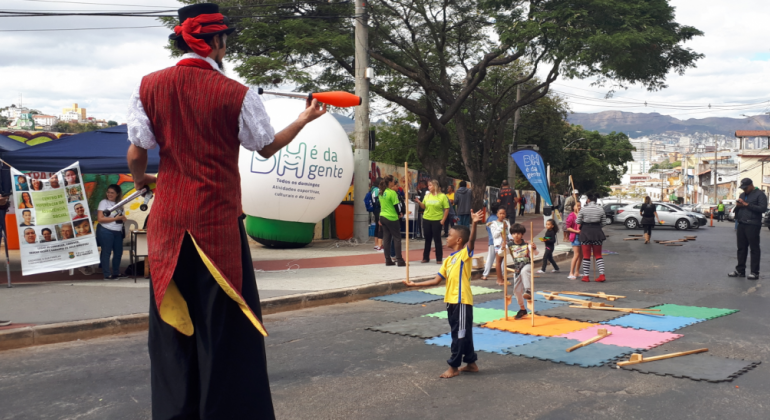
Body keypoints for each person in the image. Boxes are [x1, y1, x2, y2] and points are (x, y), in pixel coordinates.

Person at [126, 5, 327, 417]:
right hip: (216, 224)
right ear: (213, 42)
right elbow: (266, 146)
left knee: (171, 328)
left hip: (168, 225)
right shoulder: (235, 93)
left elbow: (135, 154)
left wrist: (144, 180)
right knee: (224, 331)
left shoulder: (148, 86)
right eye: (224, 40)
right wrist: (305, 118)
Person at [403, 209, 484, 378]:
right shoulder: (448, 260)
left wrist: (474, 223)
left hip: (462, 301)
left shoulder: (464, 255)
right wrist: (414, 284)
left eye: (449, 235)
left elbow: (472, 241)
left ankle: (454, 366)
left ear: (459, 240)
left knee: (459, 335)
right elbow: (435, 281)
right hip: (451, 301)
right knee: (463, 332)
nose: (446, 237)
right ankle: (471, 363)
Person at [729, 178, 767, 280]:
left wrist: (747, 204)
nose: (744, 190)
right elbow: (740, 208)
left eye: (746, 188)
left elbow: (763, 208)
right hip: (741, 223)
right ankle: (740, 271)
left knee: (754, 249)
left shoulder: (760, 194)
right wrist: (738, 206)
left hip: (753, 224)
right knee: (741, 248)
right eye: (743, 188)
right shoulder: (742, 195)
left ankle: (754, 272)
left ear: (751, 185)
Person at [506, 223, 539, 319]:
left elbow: (536, 253)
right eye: (514, 233)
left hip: (527, 265)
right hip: (517, 268)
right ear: (511, 234)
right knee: (516, 291)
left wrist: (534, 247)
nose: (516, 235)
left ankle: (528, 291)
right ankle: (522, 309)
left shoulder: (526, 244)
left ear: (522, 234)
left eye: (518, 233)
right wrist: (502, 247)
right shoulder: (510, 245)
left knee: (525, 272)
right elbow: (501, 253)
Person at [415, 179, 449, 264]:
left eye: (430, 185)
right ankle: (425, 257)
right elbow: (424, 206)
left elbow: (446, 209)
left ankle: (439, 258)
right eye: (428, 185)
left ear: (435, 186)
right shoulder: (427, 196)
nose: (428, 187)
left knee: (437, 239)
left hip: (437, 220)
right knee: (427, 239)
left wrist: (443, 220)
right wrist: (419, 202)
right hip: (427, 219)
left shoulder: (442, 196)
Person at [97, 184, 127, 280]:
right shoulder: (104, 202)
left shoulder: (120, 204)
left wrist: (122, 218)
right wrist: (115, 219)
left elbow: (119, 217)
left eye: (112, 193)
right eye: (108, 192)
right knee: (107, 252)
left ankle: (116, 272)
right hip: (106, 230)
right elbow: (100, 219)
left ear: (117, 194)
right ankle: (107, 274)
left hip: (117, 231)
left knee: (118, 252)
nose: (109, 194)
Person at [576, 192, 607, 282]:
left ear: (588, 200)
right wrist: (597, 227)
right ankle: (602, 275)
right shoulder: (600, 209)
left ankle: (586, 276)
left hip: (585, 232)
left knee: (586, 255)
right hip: (597, 232)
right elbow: (604, 223)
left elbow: (578, 221)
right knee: (598, 255)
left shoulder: (583, 209)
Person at [378, 175, 406, 266]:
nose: (395, 182)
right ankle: (399, 259)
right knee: (397, 238)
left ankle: (387, 259)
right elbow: (397, 205)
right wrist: (400, 214)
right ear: (390, 182)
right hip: (391, 217)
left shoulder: (382, 192)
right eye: (394, 181)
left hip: (383, 216)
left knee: (386, 238)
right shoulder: (392, 193)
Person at [487, 208, 511, 286]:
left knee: (503, 261)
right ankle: (499, 279)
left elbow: (509, 233)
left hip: (506, 243)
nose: (502, 215)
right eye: (500, 213)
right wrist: (502, 227)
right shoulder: (493, 224)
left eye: (503, 213)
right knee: (498, 261)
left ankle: (502, 278)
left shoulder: (507, 222)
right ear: (497, 214)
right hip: (498, 244)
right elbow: (494, 235)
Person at [481, 204, 501, 280]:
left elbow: (487, 228)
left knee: (490, 258)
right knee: (501, 259)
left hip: (491, 241)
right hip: (498, 241)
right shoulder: (499, 219)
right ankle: (502, 275)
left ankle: (485, 275)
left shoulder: (489, 218)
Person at [565, 201, 582, 280]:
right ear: (573, 207)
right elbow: (568, 227)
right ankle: (571, 272)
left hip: (582, 237)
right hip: (575, 237)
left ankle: (577, 272)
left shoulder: (581, 215)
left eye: (580, 206)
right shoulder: (571, 216)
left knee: (581, 255)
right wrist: (576, 231)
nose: (579, 207)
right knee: (576, 255)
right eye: (577, 206)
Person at [369, 178, 383, 251]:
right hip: (378, 209)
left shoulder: (372, 189)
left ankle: (376, 244)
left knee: (377, 225)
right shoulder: (377, 190)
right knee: (380, 225)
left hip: (375, 209)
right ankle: (379, 245)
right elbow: (379, 200)